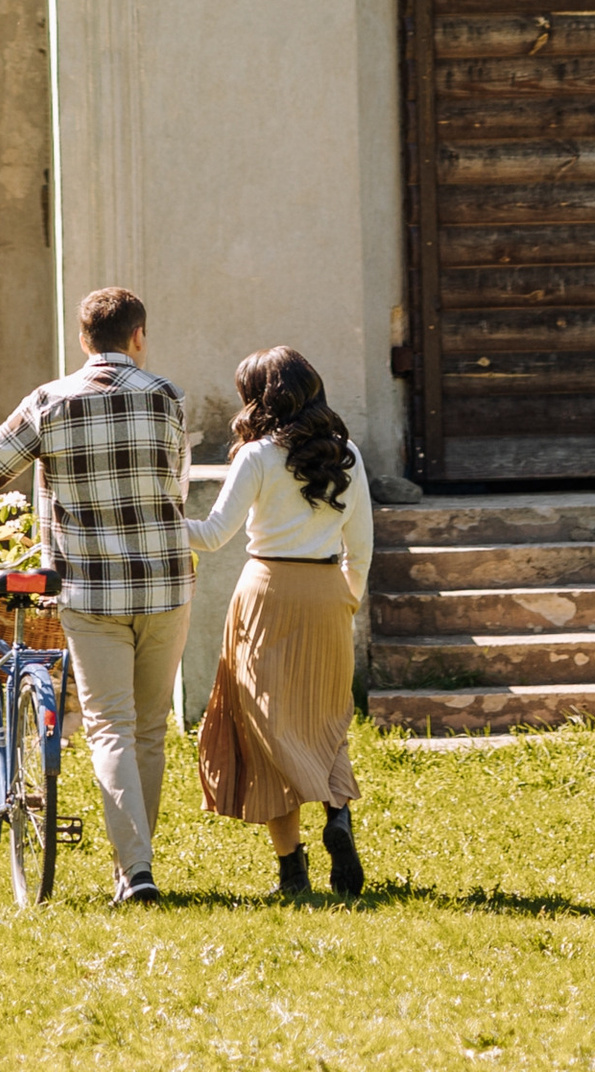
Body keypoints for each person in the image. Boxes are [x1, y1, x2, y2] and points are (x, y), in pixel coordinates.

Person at [0, 283, 191, 909]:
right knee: (148, 729)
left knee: (109, 729)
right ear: (138, 337)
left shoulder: (51, 402)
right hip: (168, 584)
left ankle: (136, 872)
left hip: (89, 591)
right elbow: (174, 482)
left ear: (85, 340)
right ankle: (135, 866)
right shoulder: (167, 398)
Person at [190, 346, 373, 899]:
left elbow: (215, 535)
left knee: (263, 728)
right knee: (324, 717)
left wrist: (158, 520)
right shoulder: (349, 456)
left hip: (267, 592)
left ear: (258, 399)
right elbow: (359, 548)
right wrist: (346, 599)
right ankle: (337, 813)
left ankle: (292, 871)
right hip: (326, 594)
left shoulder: (256, 456)